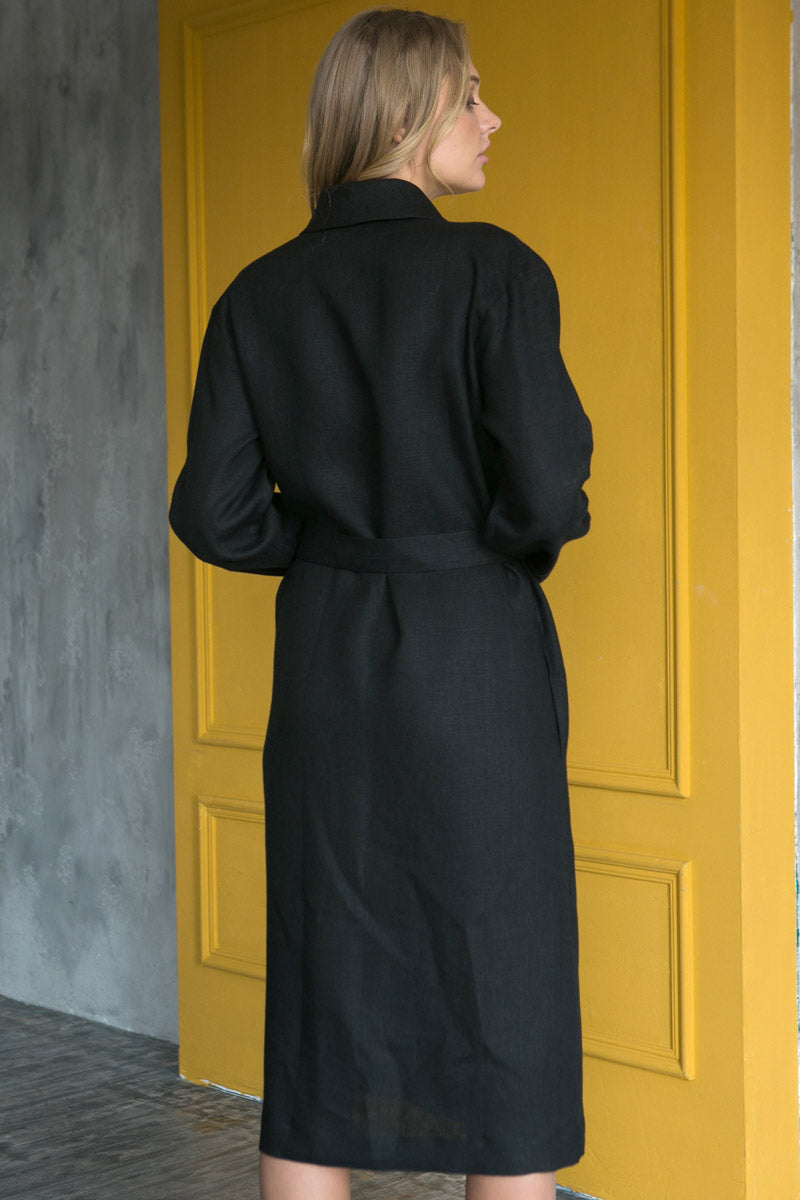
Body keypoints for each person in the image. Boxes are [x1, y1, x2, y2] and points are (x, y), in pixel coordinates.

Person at [169, 8, 593, 1200]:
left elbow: (214, 513)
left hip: (327, 660)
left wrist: (335, 547)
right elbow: (545, 490)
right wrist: (475, 550)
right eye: (470, 95)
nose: (491, 118)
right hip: (469, 654)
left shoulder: (257, 293)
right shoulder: (493, 270)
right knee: (500, 983)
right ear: (408, 113)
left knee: (325, 991)